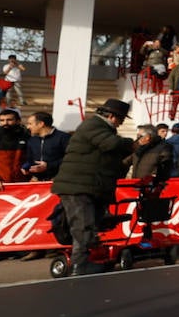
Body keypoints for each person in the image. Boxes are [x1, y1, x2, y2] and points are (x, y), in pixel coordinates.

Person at [51, 99, 133, 276]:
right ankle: (79, 265)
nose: (121, 124)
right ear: (111, 117)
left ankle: (86, 260)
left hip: (88, 185)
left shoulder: (97, 127)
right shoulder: (93, 125)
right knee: (83, 225)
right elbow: (111, 144)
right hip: (78, 186)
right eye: (121, 120)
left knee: (90, 224)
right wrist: (131, 143)